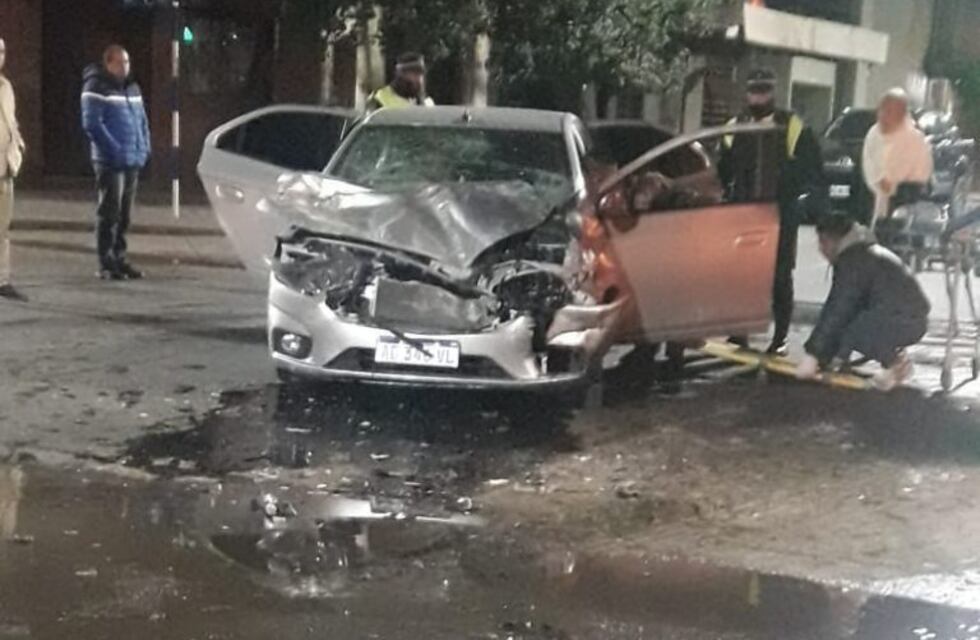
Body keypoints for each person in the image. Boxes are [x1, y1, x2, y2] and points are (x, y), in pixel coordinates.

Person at [719, 69, 826, 355]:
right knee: (743, 275)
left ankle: (779, 338)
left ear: (773, 93)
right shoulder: (735, 126)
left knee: (779, 276)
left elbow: (812, 167)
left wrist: (797, 196)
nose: (758, 97)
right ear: (747, 94)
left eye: (764, 91)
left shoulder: (792, 125)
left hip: (780, 214)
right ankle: (739, 333)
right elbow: (722, 169)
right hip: (744, 213)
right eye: (754, 91)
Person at [797, 214, 930, 391]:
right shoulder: (861, 253)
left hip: (905, 320)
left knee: (856, 331)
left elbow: (837, 310)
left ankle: (895, 365)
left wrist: (813, 355)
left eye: (823, 242)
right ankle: (895, 362)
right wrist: (826, 357)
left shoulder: (853, 261)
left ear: (833, 240)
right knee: (853, 327)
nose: (821, 249)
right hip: (908, 318)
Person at [81, 45, 150, 280]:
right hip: (109, 162)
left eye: (127, 62)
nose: (124, 67)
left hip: (132, 159)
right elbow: (92, 124)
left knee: (125, 215)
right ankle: (106, 263)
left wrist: (144, 147)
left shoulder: (132, 88)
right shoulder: (96, 87)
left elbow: (142, 121)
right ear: (108, 63)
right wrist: (115, 150)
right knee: (110, 213)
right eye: (120, 62)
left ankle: (120, 258)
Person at [862, 88, 933, 225]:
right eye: (882, 109)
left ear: (902, 113)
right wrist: (879, 179)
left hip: (907, 201)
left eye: (890, 111)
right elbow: (869, 161)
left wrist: (897, 185)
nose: (883, 115)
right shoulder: (874, 134)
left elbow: (921, 171)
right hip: (878, 197)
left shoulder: (915, 137)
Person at [0, 37, 27, 302]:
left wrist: (17, 144)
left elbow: (10, 120)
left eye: (2, 51)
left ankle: (2, 279)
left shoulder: (6, 86)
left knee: (2, 227)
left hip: (5, 167)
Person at [366, 52, 435, 111]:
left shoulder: (427, 103)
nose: (418, 79)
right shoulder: (379, 98)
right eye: (413, 73)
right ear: (399, 74)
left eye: (420, 74)